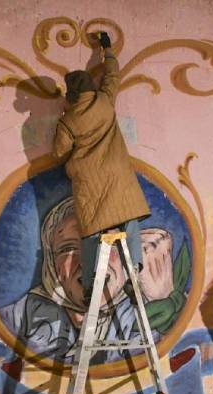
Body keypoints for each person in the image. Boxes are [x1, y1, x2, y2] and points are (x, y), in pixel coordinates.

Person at [0, 197, 176, 363]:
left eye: (103, 244)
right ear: (51, 263)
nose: (86, 263)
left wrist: (162, 299)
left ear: (125, 252)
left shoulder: (147, 307)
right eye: (68, 248)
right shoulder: (18, 318)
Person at [52, 31, 150, 298]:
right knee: (128, 220)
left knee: (91, 231)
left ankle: (89, 284)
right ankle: (135, 270)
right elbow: (113, 76)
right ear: (90, 88)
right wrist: (106, 49)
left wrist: (64, 119)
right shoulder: (105, 102)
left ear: (71, 95)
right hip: (118, 176)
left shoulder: (69, 120)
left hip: (89, 182)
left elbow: (58, 151)